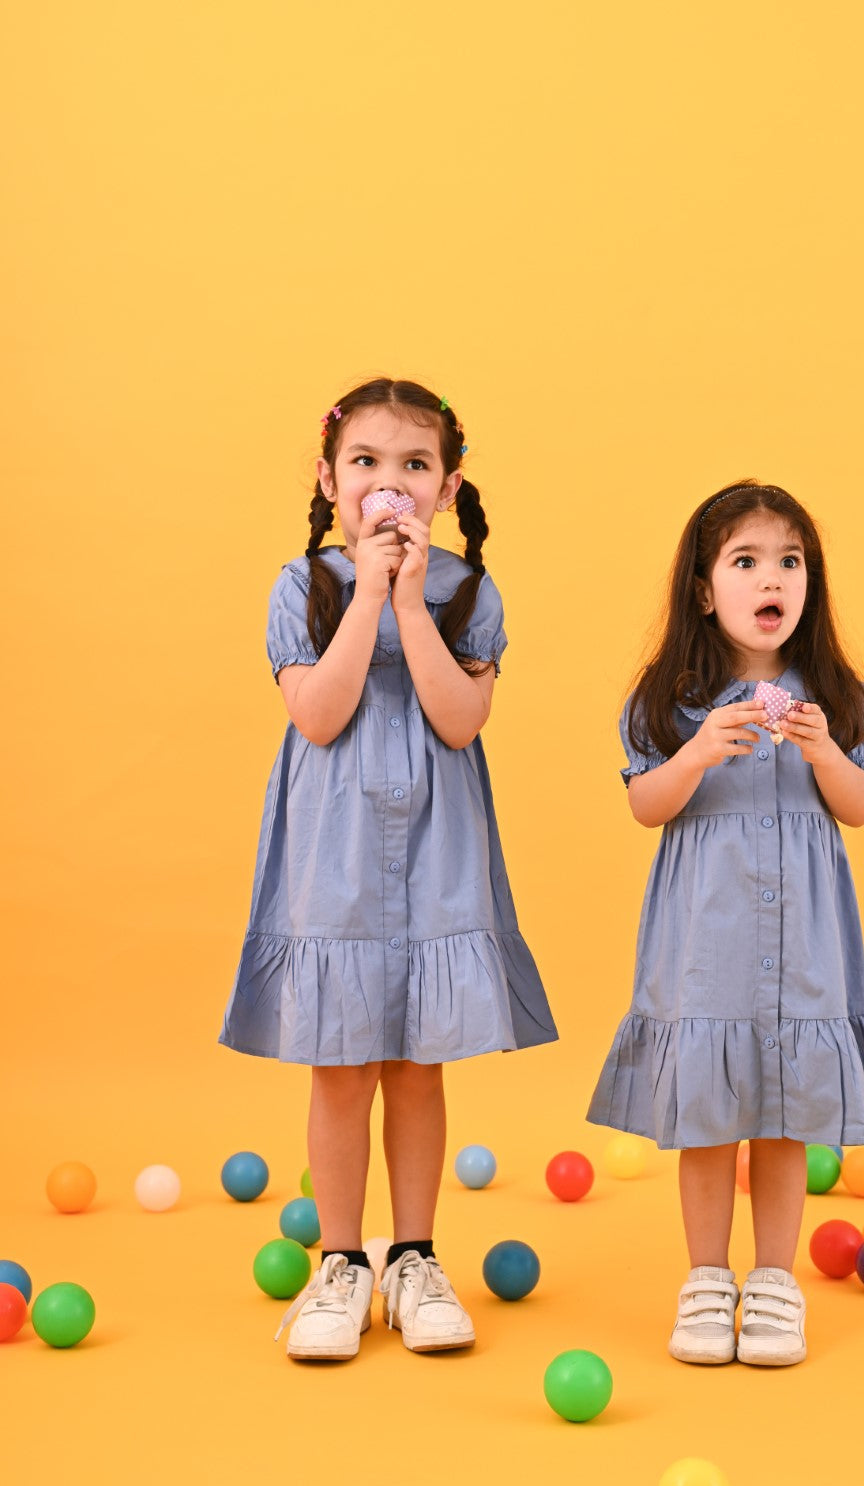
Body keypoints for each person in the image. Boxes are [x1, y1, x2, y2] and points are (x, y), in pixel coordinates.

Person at [221, 377, 556, 1361]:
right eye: (366, 463)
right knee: (340, 1065)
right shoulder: (303, 587)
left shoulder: (467, 594)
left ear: (447, 487)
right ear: (330, 480)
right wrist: (367, 590)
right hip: (335, 861)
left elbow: (458, 721)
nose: (389, 485)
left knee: (417, 1063)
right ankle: (340, 1262)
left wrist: (411, 598)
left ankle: (413, 1255)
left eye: (414, 466)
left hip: (436, 860)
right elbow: (318, 716)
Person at [587, 480, 864, 1367]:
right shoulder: (669, 697)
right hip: (707, 952)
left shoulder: (834, 697)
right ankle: (705, 1279)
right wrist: (694, 750)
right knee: (709, 1113)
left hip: (803, 950)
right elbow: (645, 808)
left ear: (809, 582)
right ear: (703, 588)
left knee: (782, 1113)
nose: (772, 577)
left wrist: (822, 751)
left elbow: (861, 807)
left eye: (789, 561)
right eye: (746, 560)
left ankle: (772, 1280)